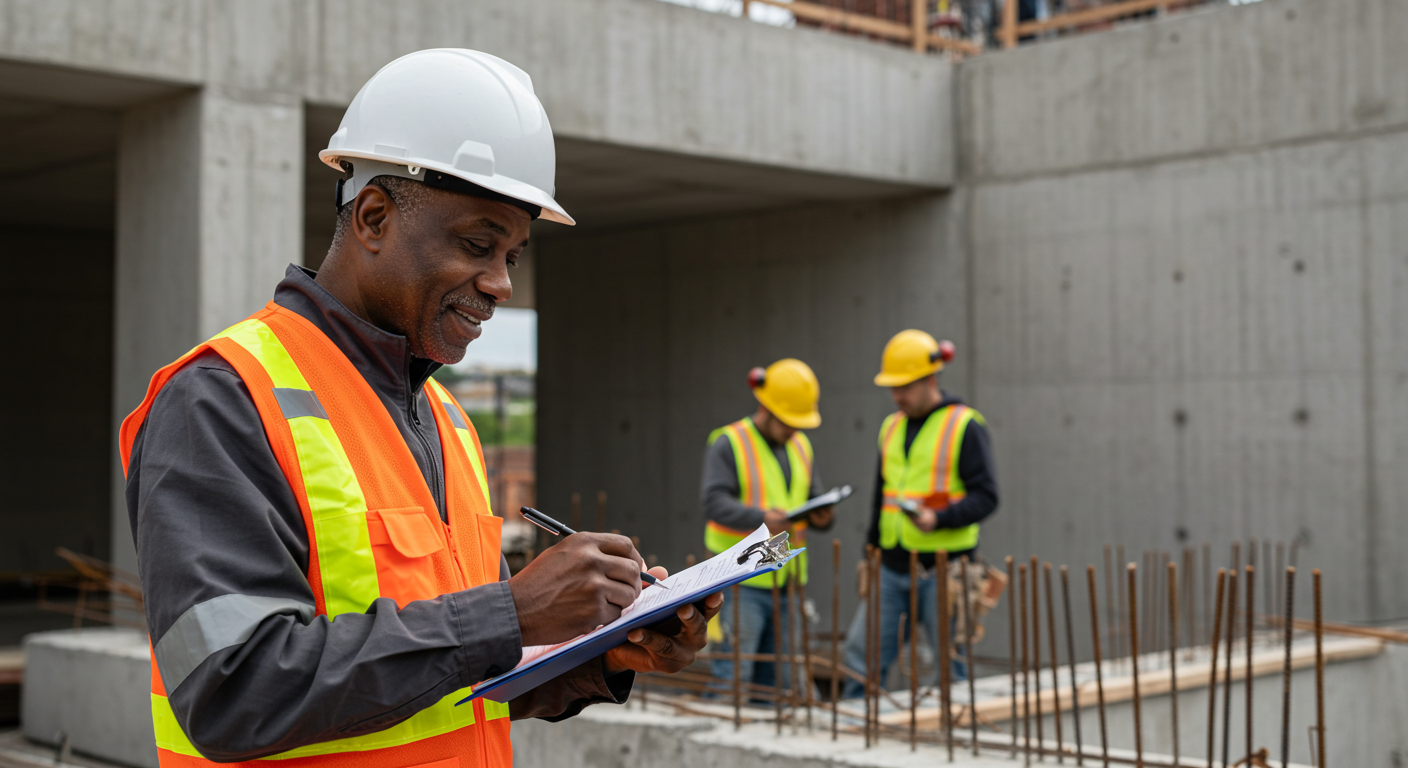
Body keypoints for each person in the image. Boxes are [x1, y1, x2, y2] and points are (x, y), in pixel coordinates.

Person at [121, 49, 721, 768]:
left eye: (514, 256)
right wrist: (512, 611)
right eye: (478, 243)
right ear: (373, 216)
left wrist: (610, 653)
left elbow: (454, 674)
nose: (500, 283)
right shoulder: (222, 399)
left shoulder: (445, 422)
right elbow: (231, 689)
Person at [841, 330, 998, 697]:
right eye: (893, 388)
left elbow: (987, 496)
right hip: (892, 568)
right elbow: (883, 495)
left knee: (949, 670)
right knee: (861, 656)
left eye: (905, 387)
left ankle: (948, 740)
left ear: (931, 380)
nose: (897, 396)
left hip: (946, 570)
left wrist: (938, 519)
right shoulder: (891, 426)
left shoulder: (964, 425)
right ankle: (855, 728)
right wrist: (871, 550)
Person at [700, 359, 834, 693]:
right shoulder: (729, 442)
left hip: (786, 579)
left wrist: (821, 516)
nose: (793, 429)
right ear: (765, 406)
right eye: (788, 421)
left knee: (781, 683)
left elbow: (811, 495)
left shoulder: (801, 445)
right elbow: (714, 502)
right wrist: (761, 518)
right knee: (732, 680)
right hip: (739, 580)